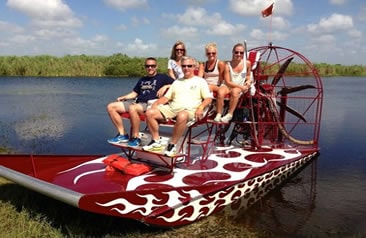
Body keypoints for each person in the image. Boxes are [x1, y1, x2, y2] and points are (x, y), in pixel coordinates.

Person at [142, 56, 212, 157]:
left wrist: (201, 108)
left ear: (194, 67)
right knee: (149, 112)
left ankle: (172, 145)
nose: (186, 68)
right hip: (172, 108)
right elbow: (166, 98)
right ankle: (156, 141)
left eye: (189, 66)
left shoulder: (200, 81)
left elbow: (208, 99)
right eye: (184, 66)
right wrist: (155, 104)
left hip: (189, 110)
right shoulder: (177, 82)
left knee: (182, 115)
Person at [107, 57, 174, 146]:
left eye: (152, 66)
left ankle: (136, 137)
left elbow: (177, 84)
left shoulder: (162, 77)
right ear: (145, 67)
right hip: (137, 102)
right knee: (111, 107)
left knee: (132, 108)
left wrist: (166, 86)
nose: (150, 68)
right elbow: (134, 93)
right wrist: (123, 97)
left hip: (149, 104)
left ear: (156, 66)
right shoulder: (142, 79)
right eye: (148, 66)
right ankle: (122, 134)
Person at [214, 43, 252, 123]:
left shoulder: (247, 63)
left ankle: (230, 114)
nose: (239, 54)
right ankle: (218, 113)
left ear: (243, 54)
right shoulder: (227, 65)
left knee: (235, 92)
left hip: (239, 86)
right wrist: (242, 87)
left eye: (241, 53)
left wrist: (248, 81)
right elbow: (227, 82)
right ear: (233, 52)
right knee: (220, 92)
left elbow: (248, 75)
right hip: (228, 85)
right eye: (236, 52)